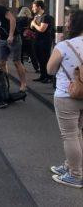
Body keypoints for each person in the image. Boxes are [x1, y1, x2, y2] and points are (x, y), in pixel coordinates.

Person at [46, 10, 83, 188]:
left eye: (68, 21)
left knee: (69, 135)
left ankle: (75, 175)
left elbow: (50, 70)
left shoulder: (64, 46)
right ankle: (71, 165)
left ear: (73, 25)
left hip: (67, 95)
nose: (66, 23)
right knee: (78, 133)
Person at [0, 4, 27, 94]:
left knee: (16, 62)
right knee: (1, 62)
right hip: (1, 40)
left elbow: (12, 19)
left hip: (13, 38)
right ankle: (5, 83)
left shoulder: (0, 8)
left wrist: (11, 35)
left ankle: (23, 84)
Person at [31, 0, 54, 83]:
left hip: (45, 42)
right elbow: (32, 27)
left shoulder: (46, 17)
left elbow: (42, 29)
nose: (32, 9)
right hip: (37, 41)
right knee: (40, 59)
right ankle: (42, 75)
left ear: (39, 7)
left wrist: (34, 24)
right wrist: (33, 23)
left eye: (34, 7)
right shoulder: (37, 16)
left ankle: (49, 77)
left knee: (45, 59)